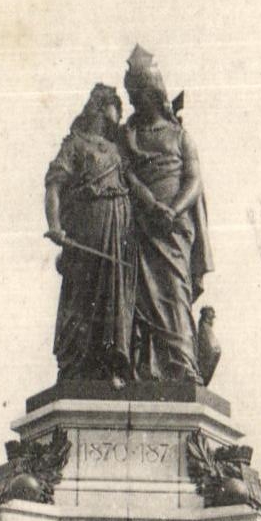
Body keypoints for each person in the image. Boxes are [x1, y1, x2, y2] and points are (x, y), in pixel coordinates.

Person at [120, 45, 213, 382]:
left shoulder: (180, 137)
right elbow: (124, 174)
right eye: (130, 96)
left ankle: (182, 365)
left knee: (174, 293)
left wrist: (172, 210)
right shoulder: (126, 136)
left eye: (137, 94)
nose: (133, 103)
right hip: (138, 225)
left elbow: (194, 180)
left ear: (152, 92)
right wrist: (149, 204)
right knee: (136, 298)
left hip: (174, 229)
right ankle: (143, 367)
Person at [44, 83, 136, 385]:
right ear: (100, 106)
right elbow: (54, 186)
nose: (119, 115)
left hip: (119, 230)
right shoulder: (76, 144)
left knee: (114, 294)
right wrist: (55, 225)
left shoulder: (118, 149)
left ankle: (111, 363)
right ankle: (77, 364)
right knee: (83, 296)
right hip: (88, 230)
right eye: (116, 107)